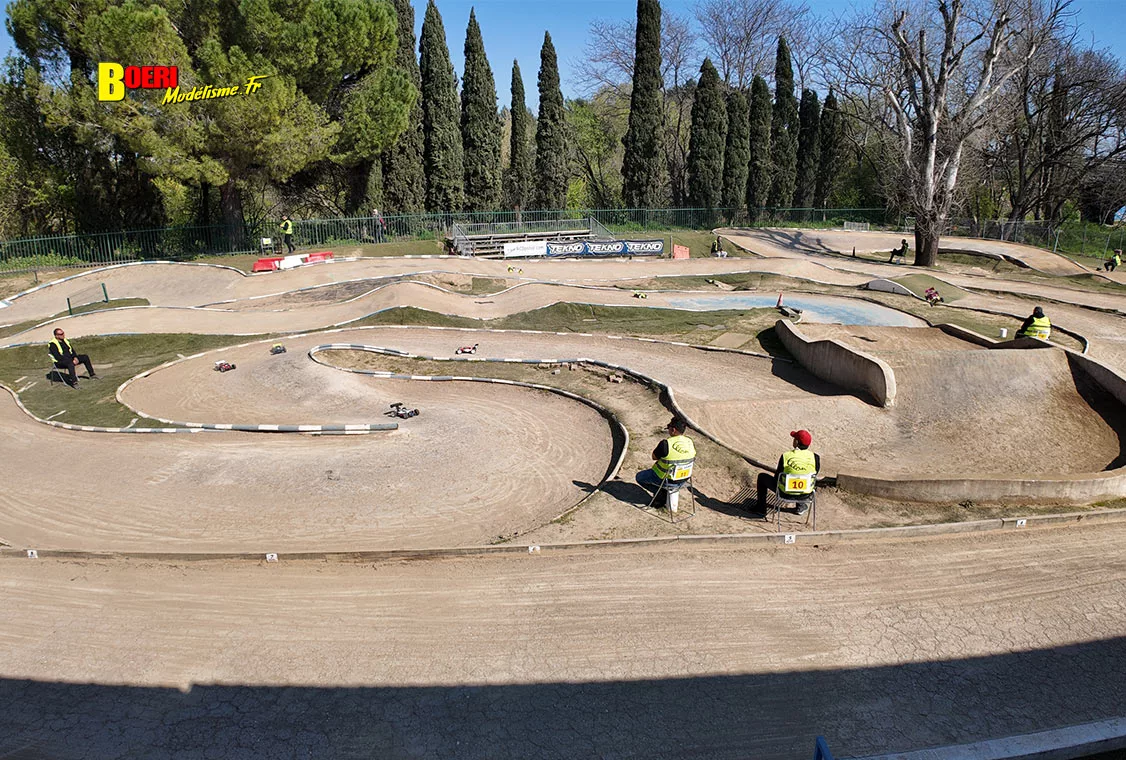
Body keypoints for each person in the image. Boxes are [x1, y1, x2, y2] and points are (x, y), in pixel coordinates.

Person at [756, 429, 821, 516]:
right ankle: (800, 506)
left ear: (796, 442)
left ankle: (760, 509)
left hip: (785, 493)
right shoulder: (815, 457)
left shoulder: (786, 456)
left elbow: (777, 477)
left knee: (762, 477)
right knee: (803, 476)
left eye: (794, 439)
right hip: (806, 495)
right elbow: (815, 473)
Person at [636, 417, 696, 506]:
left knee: (639, 477)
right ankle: (663, 493)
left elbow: (654, 457)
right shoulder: (689, 442)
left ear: (673, 430)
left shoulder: (666, 444)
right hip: (684, 480)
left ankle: (661, 493)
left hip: (666, 480)